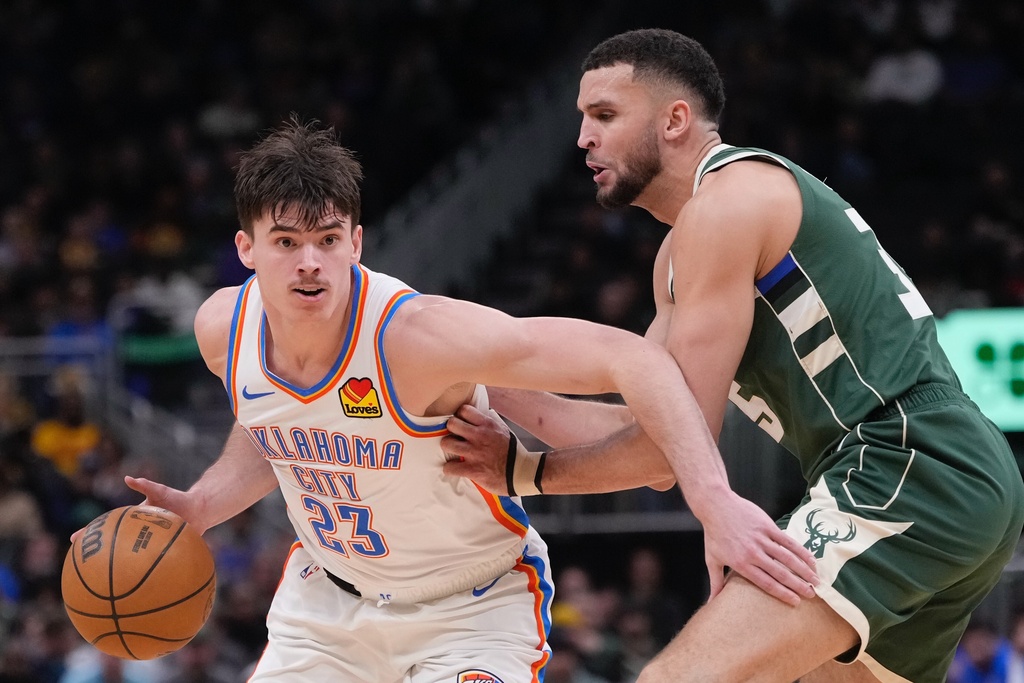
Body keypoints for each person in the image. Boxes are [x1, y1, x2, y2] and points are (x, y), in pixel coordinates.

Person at [107, 116, 804, 682]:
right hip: (328, 610)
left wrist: (713, 500)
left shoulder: (418, 339)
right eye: (285, 242)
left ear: (357, 241)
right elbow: (271, 427)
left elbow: (629, 355)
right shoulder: (222, 329)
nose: (309, 262)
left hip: (469, 609)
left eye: (326, 239)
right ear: (246, 249)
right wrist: (202, 505)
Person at [441, 28, 1024, 682]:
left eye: (604, 115)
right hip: (944, 471)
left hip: (905, 458)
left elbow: (669, 453)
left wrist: (526, 472)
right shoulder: (678, 254)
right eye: (582, 118)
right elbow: (660, 434)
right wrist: (493, 384)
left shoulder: (728, 202)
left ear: (675, 119)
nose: (582, 137)